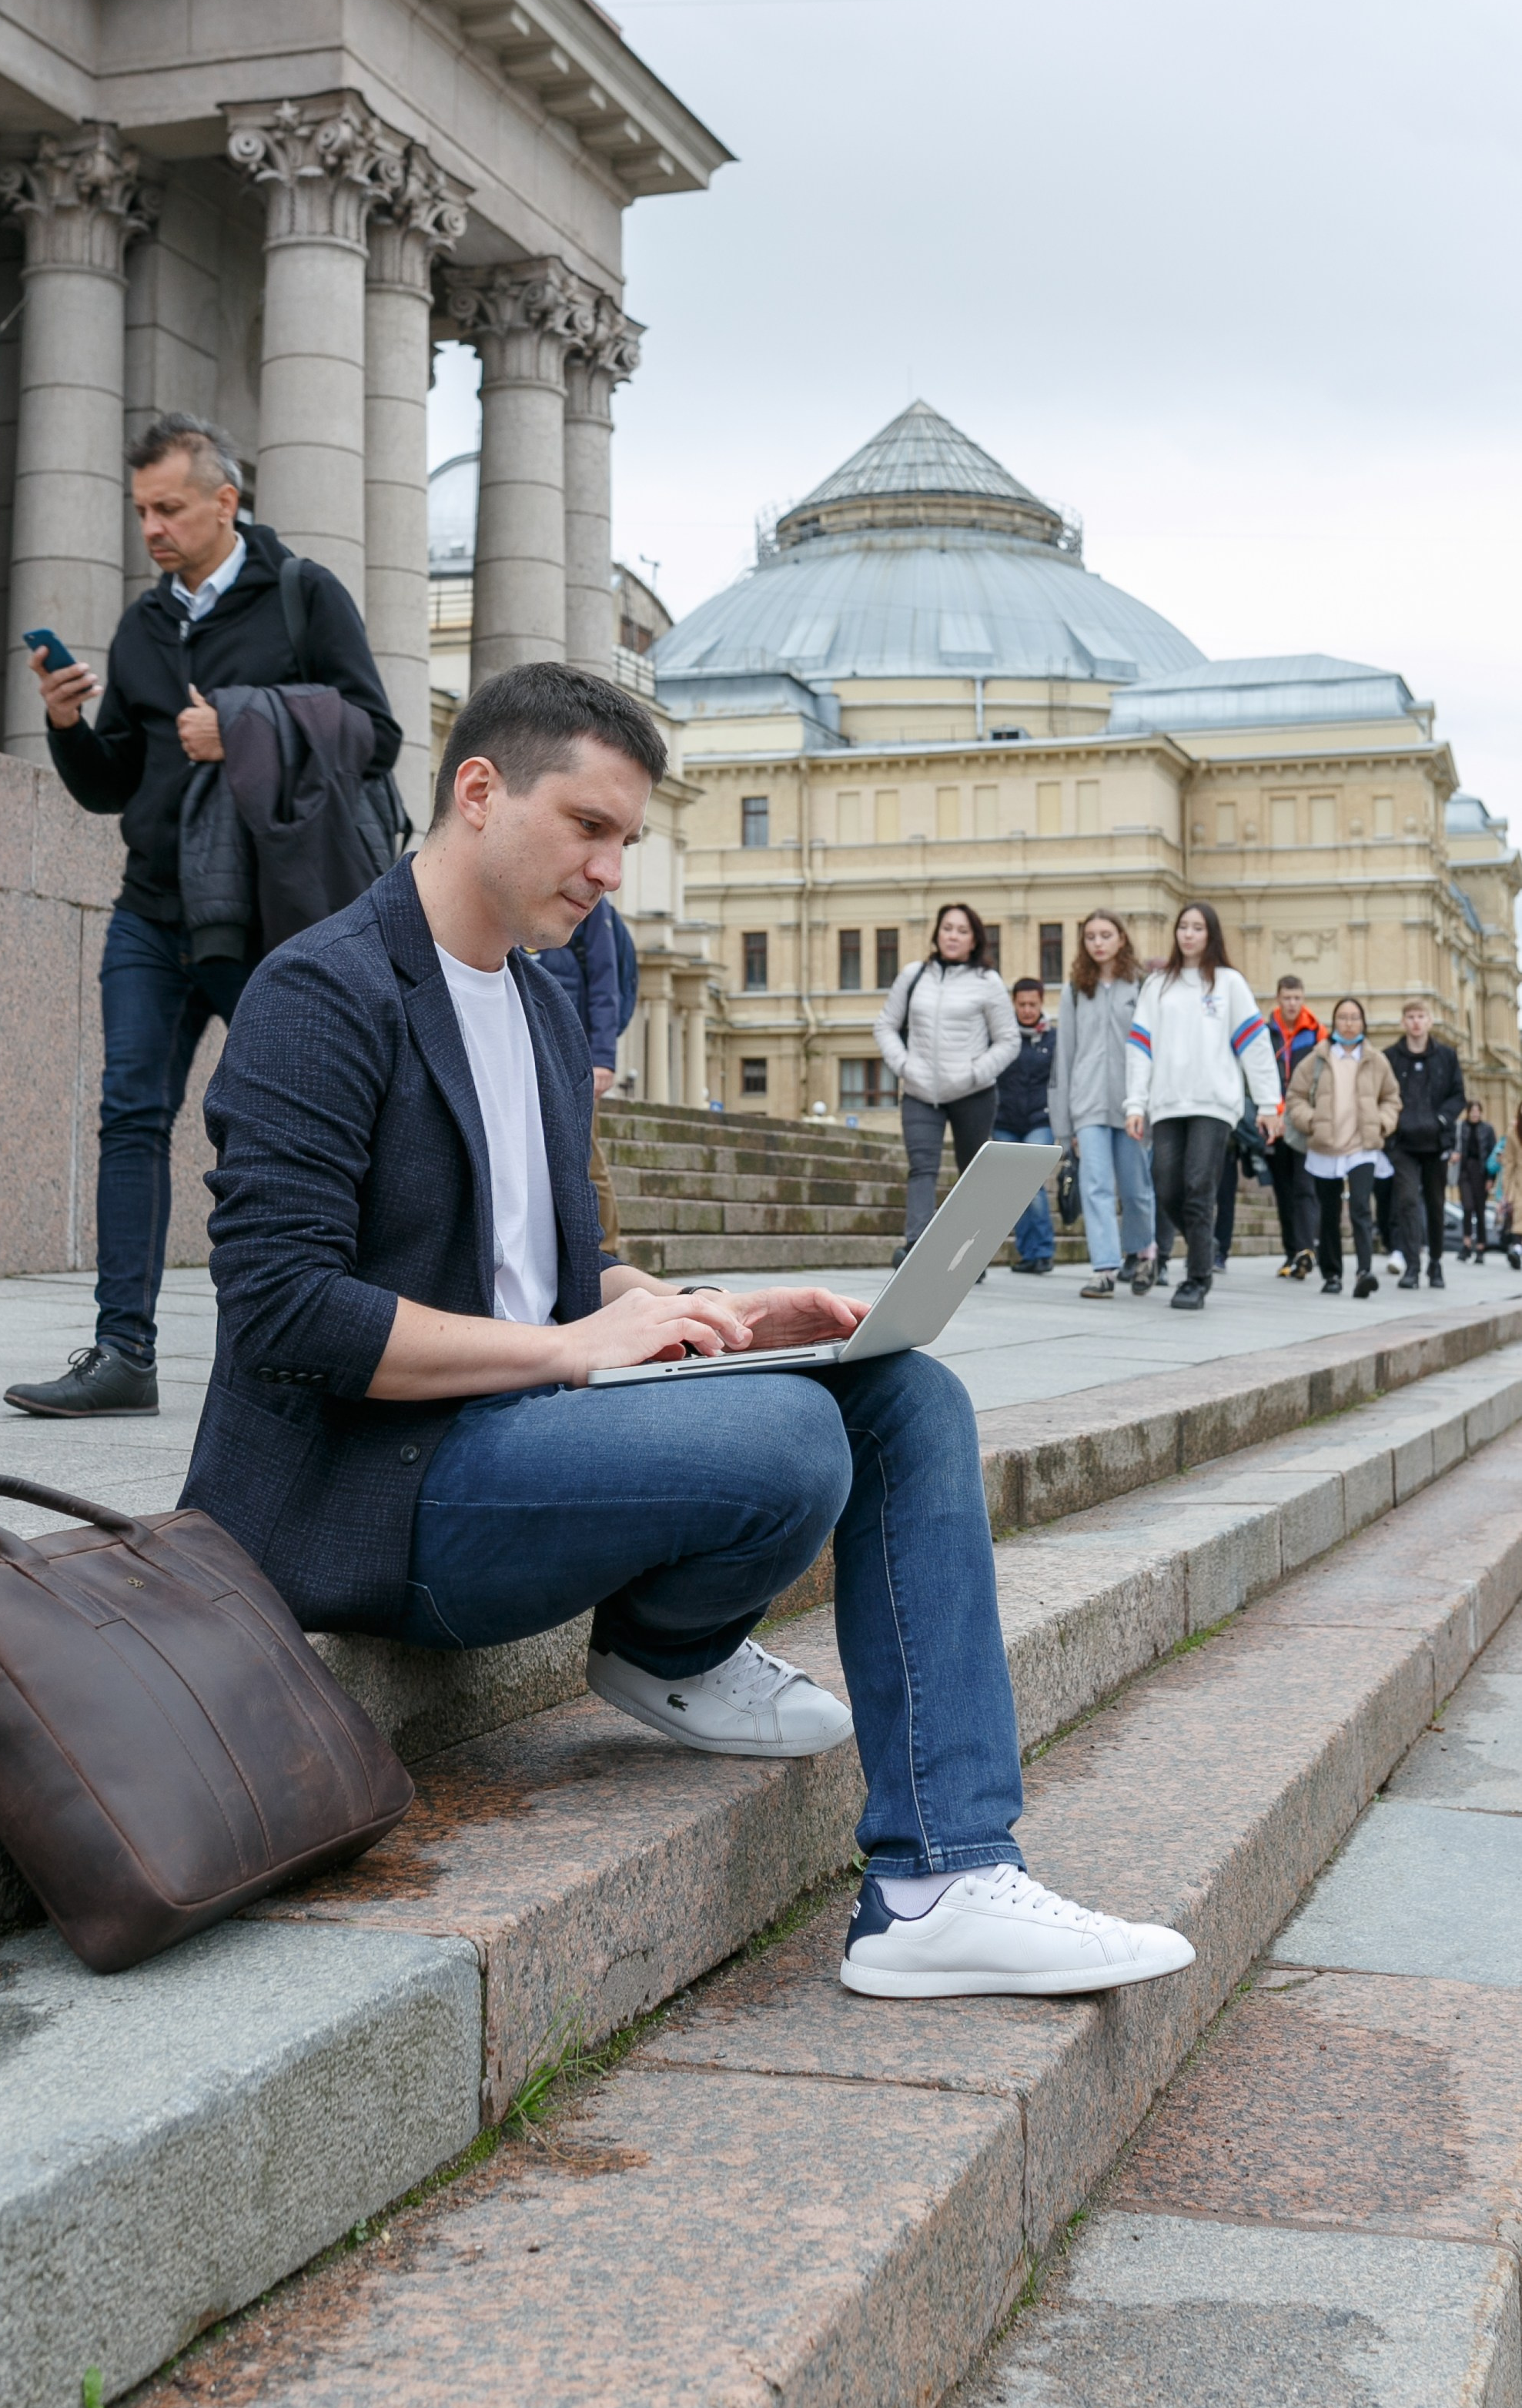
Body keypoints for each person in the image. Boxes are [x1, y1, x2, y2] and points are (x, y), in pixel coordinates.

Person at [182, 661, 1194, 2002]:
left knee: (901, 1393)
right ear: (477, 791)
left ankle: (940, 1879)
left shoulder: (542, 998)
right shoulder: (321, 990)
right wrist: (567, 1351)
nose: (609, 869)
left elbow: (534, 1264)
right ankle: (671, 1644)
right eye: (587, 827)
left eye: (627, 841)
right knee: (785, 1439)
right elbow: (283, 1312)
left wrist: (686, 1312)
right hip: (370, 1494)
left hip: (511, 1432)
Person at [5, 412, 399, 1420]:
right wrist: (62, 721)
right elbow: (111, 783)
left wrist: (246, 725)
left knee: (278, 1128)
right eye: (141, 510)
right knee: (131, 1112)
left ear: (226, 501)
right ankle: (121, 1349)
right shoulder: (142, 625)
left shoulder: (303, 594)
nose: (152, 527)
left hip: (269, 911)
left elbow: (378, 733)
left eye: (169, 506)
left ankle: (316, 1340)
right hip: (153, 905)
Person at [1125, 902, 1283, 1313]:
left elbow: (1255, 1044)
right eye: (1183, 927)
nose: (1189, 934)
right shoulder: (1158, 985)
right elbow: (1140, 1047)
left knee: (1198, 1185)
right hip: (1166, 1102)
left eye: (1197, 928)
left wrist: (1268, 1102)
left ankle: (1197, 1278)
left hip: (1214, 1103)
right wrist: (1135, 1103)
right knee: (1166, 1184)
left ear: (1211, 934)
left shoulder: (1229, 983)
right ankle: (1203, 1239)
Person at [875, 903, 1019, 1267]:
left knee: (972, 1174)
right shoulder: (914, 975)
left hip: (973, 1093)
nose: (953, 936)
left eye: (962, 930)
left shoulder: (988, 982)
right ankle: (916, 1247)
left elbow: (1008, 1040)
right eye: (947, 928)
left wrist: (976, 1072)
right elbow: (886, 1026)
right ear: (937, 934)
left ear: (974, 940)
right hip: (921, 1093)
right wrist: (906, 1065)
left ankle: (969, 1256)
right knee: (921, 1167)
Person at [1047, 911, 1156, 1300]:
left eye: (1105, 935)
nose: (1098, 942)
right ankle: (1105, 1269)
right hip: (1088, 1103)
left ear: (1121, 939)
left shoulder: (1142, 986)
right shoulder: (1076, 989)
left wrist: (1149, 1104)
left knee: (1136, 1185)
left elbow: (1153, 1047)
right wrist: (1065, 1126)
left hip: (1133, 1104)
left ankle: (1144, 1253)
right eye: (1090, 936)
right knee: (1095, 1186)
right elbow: (1065, 1056)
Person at [1285, 998, 1400, 1298]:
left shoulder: (1376, 1060)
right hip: (1325, 1146)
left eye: (1354, 1018)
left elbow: (1391, 1097)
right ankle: (1332, 1274)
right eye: (1343, 1018)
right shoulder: (1317, 1059)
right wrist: (1311, 1121)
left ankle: (1364, 1271)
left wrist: (1383, 1123)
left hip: (1362, 1146)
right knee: (1329, 1213)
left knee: (1362, 1208)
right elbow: (1295, 1096)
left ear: (1363, 1023)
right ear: (1334, 1023)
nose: (1349, 1023)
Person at [530, 899, 626, 1252]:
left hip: (572, 1051)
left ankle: (607, 1254)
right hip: (524, 1036)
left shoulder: (589, 902)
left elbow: (605, 983)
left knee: (586, 1156)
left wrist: (602, 1059)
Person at [1383, 1001, 1465, 1291]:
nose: (1416, 1022)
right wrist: (1391, 1124)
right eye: (1411, 1017)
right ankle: (1412, 1266)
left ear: (1430, 1021)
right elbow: (1380, 1093)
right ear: (1404, 1022)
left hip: (1436, 1143)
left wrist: (1441, 1119)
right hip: (1402, 1144)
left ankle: (1436, 1263)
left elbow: (1458, 1096)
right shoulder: (1390, 1057)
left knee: (1435, 1203)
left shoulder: (1446, 1056)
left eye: (1421, 1017)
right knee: (1406, 1202)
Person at [994, 978, 1056, 1274]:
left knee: (1032, 1184)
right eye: (1022, 1005)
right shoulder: (1003, 1038)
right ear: (1013, 1004)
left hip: (1040, 1121)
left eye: (1033, 1004)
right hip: (1005, 1122)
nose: (1028, 1010)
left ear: (1042, 1003)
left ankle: (1043, 1251)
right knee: (1013, 1191)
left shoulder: (1053, 1039)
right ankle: (1028, 1254)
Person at [1266, 976, 1325, 1279]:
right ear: (1278, 998)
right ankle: (1292, 1254)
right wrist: (1272, 1113)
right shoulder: (1267, 1033)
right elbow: (1261, 1074)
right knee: (1283, 1189)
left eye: (1297, 997)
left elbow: (1324, 1077)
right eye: (1287, 997)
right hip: (1274, 1123)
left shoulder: (1316, 1033)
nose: (1292, 1003)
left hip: (1304, 1122)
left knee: (1305, 1187)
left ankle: (1306, 1250)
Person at [1455, 1101, 1497, 1264]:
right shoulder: (1460, 1127)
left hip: (1481, 1173)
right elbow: (1454, 1145)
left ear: (1481, 1112)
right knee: (1467, 1207)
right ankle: (1466, 1244)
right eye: (1472, 1110)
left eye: (1477, 1111)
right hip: (1464, 1171)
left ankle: (1480, 1247)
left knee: (1480, 1210)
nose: (1475, 1114)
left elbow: (1494, 1156)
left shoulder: (1487, 1129)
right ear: (1468, 1112)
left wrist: (1491, 1178)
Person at [1500, 1109, 1522, 1271]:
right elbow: (1508, 1163)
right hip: (1519, 1181)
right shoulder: (1514, 1132)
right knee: (1519, 1216)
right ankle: (1516, 1248)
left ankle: (1517, 1249)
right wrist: (1506, 1190)